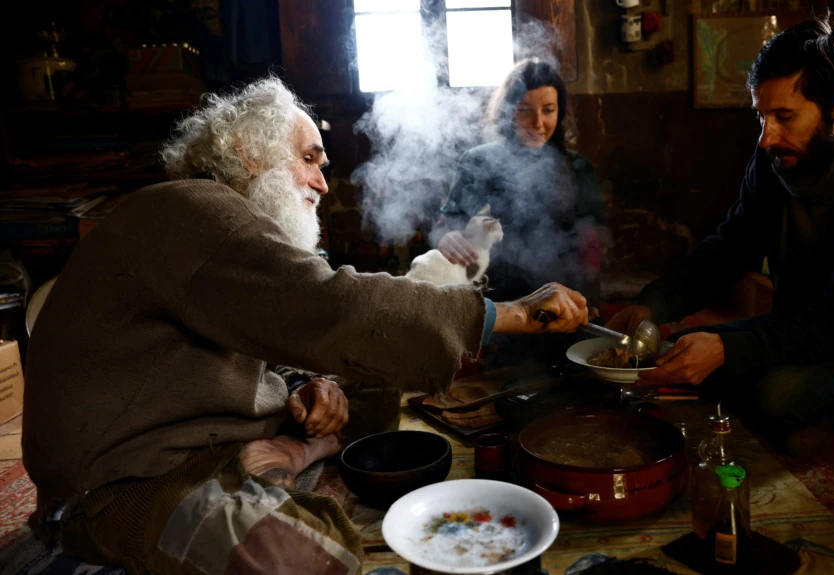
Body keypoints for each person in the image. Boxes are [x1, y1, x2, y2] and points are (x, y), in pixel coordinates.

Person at [21, 76, 589, 574]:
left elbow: (268, 339)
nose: (322, 183)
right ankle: (267, 471)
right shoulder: (188, 210)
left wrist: (304, 391)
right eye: (311, 158)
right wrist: (512, 314)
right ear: (247, 153)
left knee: (366, 371)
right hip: (121, 484)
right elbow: (329, 306)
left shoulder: (220, 229)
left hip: (207, 444)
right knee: (309, 556)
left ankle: (295, 456)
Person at [606, 14, 834, 451]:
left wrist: (730, 348)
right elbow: (731, 246)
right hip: (810, 324)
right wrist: (657, 302)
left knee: (776, 396)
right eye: (762, 116)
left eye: (784, 116)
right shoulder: (777, 158)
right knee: (681, 350)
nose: (767, 138)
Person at [432, 58, 607, 366]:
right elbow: (448, 223)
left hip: (563, 314)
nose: (538, 122)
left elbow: (590, 244)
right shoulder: (479, 163)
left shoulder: (578, 169)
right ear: (507, 111)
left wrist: (590, 301)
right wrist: (447, 237)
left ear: (560, 112)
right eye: (525, 110)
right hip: (500, 313)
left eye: (548, 110)